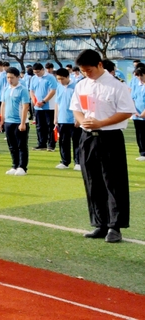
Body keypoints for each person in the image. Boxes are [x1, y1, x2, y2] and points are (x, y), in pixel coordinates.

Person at [72, 49, 135, 242]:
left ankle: (115, 226)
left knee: (113, 182)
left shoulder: (116, 86)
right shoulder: (82, 85)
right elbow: (76, 108)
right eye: (83, 71)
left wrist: (101, 123)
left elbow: (126, 112)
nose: (86, 74)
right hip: (88, 137)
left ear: (99, 64)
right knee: (92, 181)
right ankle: (99, 223)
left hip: (110, 138)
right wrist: (84, 121)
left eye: (89, 70)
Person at [54, 68, 80, 170]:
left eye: (62, 79)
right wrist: (55, 117)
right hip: (62, 119)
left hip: (73, 119)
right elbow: (57, 103)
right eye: (58, 79)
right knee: (63, 141)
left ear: (68, 77)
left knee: (76, 141)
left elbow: (80, 104)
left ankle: (78, 162)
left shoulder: (76, 87)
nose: (60, 81)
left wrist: (78, 118)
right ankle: (65, 161)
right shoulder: (59, 87)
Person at [30, 63, 57, 151]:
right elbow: (31, 91)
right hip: (38, 107)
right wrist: (35, 101)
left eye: (38, 72)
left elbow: (53, 91)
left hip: (49, 106)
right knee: (40, 126)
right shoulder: (33, 78)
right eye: (35, 72)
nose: (37, 74)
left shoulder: (50, 77)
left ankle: (51, 144)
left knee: (50, 126)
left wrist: (44, 101)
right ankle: (41, 143)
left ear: (42, 70)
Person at [133, 66, 145, 161]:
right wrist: (135, 111)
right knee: (140, 135)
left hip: (144, 114)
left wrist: (144, 113)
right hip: (137, 116)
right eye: (138, 76)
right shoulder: (137, 86)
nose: (140, 78)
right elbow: (133, 98)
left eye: (141, 76)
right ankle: (142, 153)